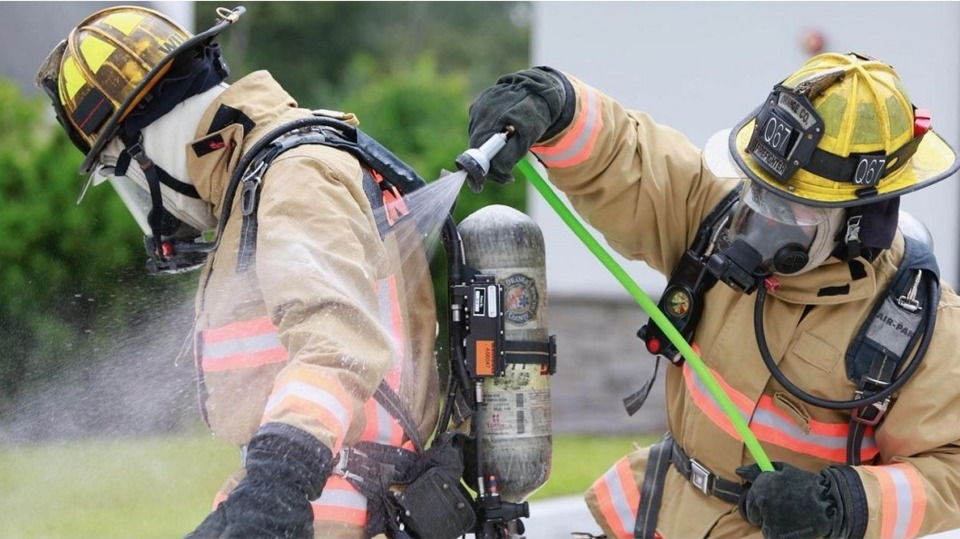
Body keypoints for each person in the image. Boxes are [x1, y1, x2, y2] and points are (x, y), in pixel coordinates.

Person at [465, 53, 960, 539]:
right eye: (757, 192)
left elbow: (951, 472)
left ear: (859, 224)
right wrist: (559, 107)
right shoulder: (713, 217)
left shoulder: (920, 325)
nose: (760, 223)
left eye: (790, 210)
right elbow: (631, 161)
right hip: (663, 511)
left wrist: (843, 505)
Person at [36, 6, 444, 539]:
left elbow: (336, 344)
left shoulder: (294, 176)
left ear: (145, 147)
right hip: (324, 505)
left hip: (341, 513)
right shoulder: (256, 179)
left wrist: (277, 484)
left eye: (126, 175)